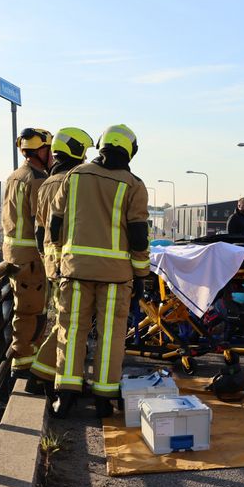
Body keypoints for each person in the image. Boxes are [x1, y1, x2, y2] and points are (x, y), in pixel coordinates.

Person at [48, 124, 150, 418]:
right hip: (116, 277)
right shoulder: (133, 185)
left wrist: (59, 260)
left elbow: (55, 223)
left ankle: (65, 397)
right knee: (111, 336)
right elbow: (139, 236)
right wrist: (141, 274)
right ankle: (104, 399)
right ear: (131, 151)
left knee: (72, 331)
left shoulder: (75, 176)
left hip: (75, 271)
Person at [28, 127, 94, 393]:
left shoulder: (45, 183)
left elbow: (39, 230)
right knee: (70, 323)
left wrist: (47, 258)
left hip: (52, 263)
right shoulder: (74, 180)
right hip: (70, 264)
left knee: (64, 320)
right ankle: (42, 374)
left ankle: (50, 373)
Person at [3, 128, 52, 386]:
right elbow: (39, 223)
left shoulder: (14, 176)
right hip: (32, 259)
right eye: (49, 149)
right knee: (32, 311)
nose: (52, 154)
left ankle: (24, 361)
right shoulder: (36, 179)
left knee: (23, 309)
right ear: (39, 151)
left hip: (14, 255)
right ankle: (23, 365)